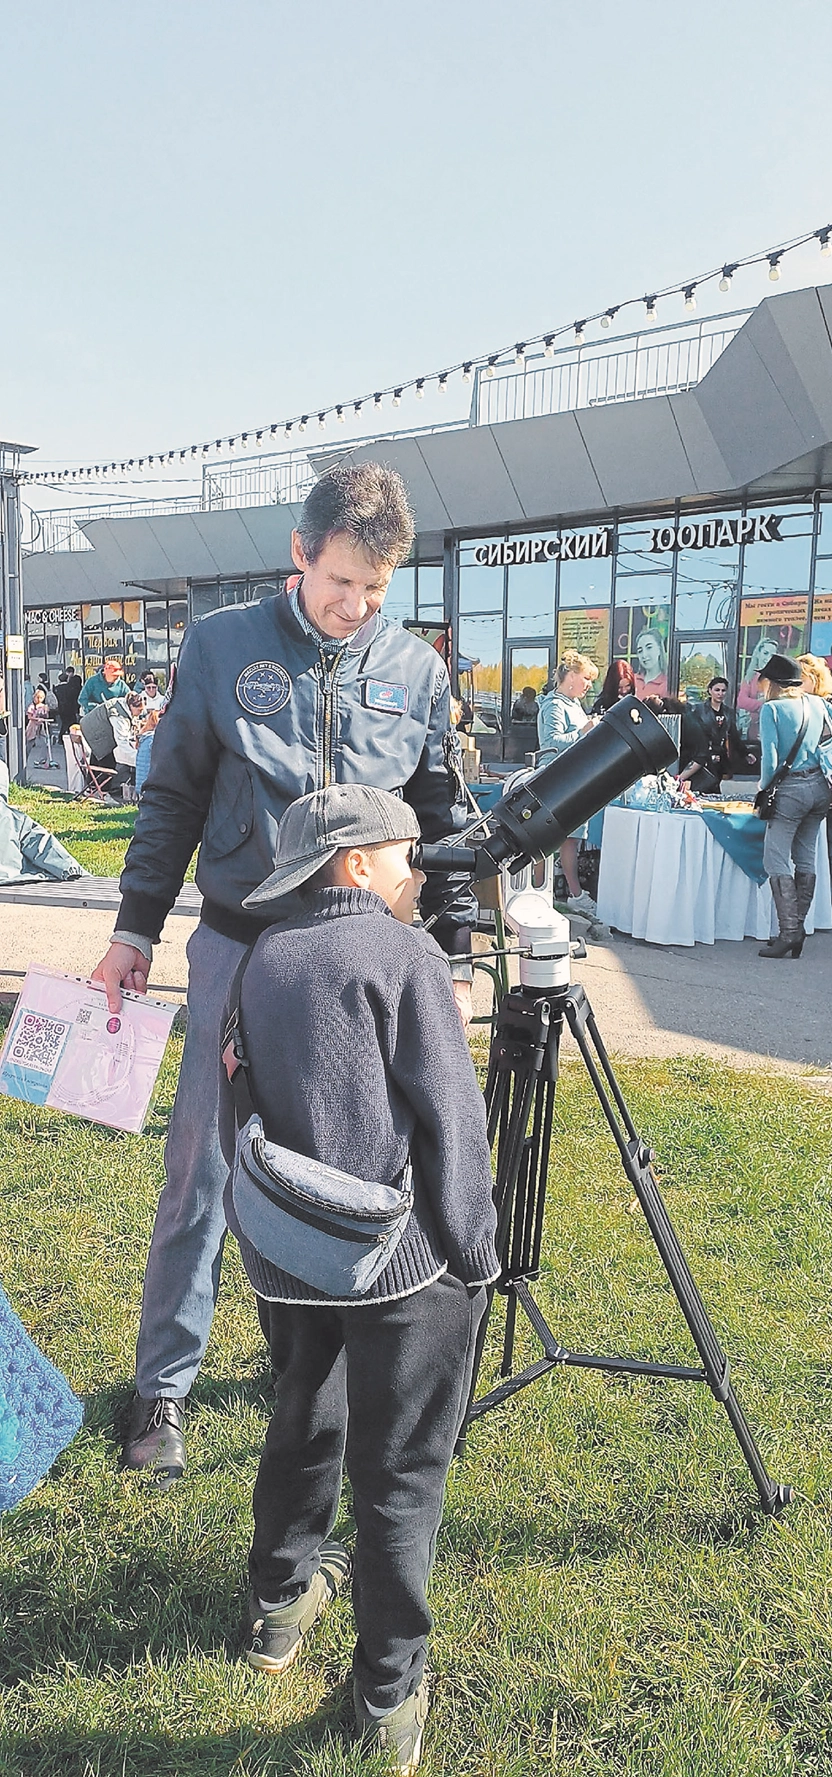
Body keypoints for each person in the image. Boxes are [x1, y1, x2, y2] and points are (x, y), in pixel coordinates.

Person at [91, 463, 478, 1486]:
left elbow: (441, 817)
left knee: (351, 1168)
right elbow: (172, 797)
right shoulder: (221, 645)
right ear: (300, 553)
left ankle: (311, 1362)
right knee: (204, 1173)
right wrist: (134, 929)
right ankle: (163, 1389)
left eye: (375, 590)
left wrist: (455, 949)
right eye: (340, 581)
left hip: (363, 959)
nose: (355, 607)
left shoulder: (416, 670)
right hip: (240, 945)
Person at [225, 785, 498, 1771]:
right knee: (400, 1473)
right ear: (353, 862)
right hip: (399, 1268)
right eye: (406, 852)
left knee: (305, 1415)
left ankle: (277, 1603)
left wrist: (268, 1233)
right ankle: (386, 1689)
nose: (418, 869)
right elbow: (453, 1121)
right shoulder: (406, 955)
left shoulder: (264, 954)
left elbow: (236, 1097)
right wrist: (476, 1250)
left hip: (291, 1257)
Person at [755, 654, 832, 959]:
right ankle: (797, 930)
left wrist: (764, 788)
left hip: (790, 789)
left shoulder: (772, 710)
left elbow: (770, 761)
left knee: (775, 858)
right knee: (805, 856)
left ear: (773, 682)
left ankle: (789, 932)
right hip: (820, 787)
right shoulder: (816, 703)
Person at [536, 650, 600, 917]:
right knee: (548, 841)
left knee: (570, 840)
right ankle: (540, 893)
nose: (589, 685)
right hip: (557, 781)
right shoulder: (554, 705)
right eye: (586, 678)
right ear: (571, 676)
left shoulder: (573, 705)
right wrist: (584, 732)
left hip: (573, 779)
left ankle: (572, 895)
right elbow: (550, 743)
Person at [798, 653, 832, 877]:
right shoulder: (794, 704)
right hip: (801, 786)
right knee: (802, 845)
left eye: (801, 678)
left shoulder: (831, 705)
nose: (795, 683)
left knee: (825, 843)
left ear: (816, 679)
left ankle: (822, 891)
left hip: (829, 785)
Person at [677, 677, 755, 794]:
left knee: (714, 785)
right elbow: (693, 735)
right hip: (703, 754)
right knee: (701, 786)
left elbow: (733, 735)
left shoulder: (728, 712)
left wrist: (745, 753)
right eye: (717, 690)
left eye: (723, 691)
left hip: (719, 756)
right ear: (710, 690)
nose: (720, 693)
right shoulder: (698, 710)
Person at [633, 629, 669, 700]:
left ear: (659, 649)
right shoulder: (632, 680)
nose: (644, 655)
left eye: (649, 647)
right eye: (640, 651)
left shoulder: (667, 683)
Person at [53, 669, 81, 738]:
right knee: (71, 722)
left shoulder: (56, 688)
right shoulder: (70, 688)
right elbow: (73, 699)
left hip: (61, 708)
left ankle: (64, 736)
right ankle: (65, 736)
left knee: (64, 722)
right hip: (70, 708)